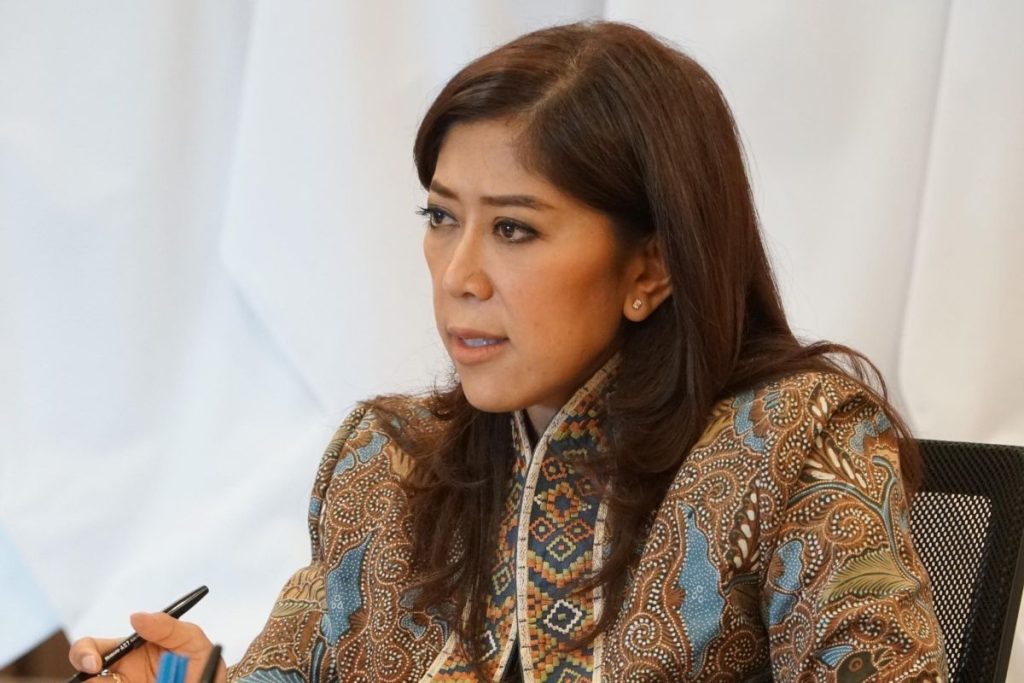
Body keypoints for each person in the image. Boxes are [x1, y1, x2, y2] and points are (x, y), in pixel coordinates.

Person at [69, 20, 949, 682]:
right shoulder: (385, 464)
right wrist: (193, 676)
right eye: (441, 216)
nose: (459, 274)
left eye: (515, 229)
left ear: (650, 266)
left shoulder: (795, 444)